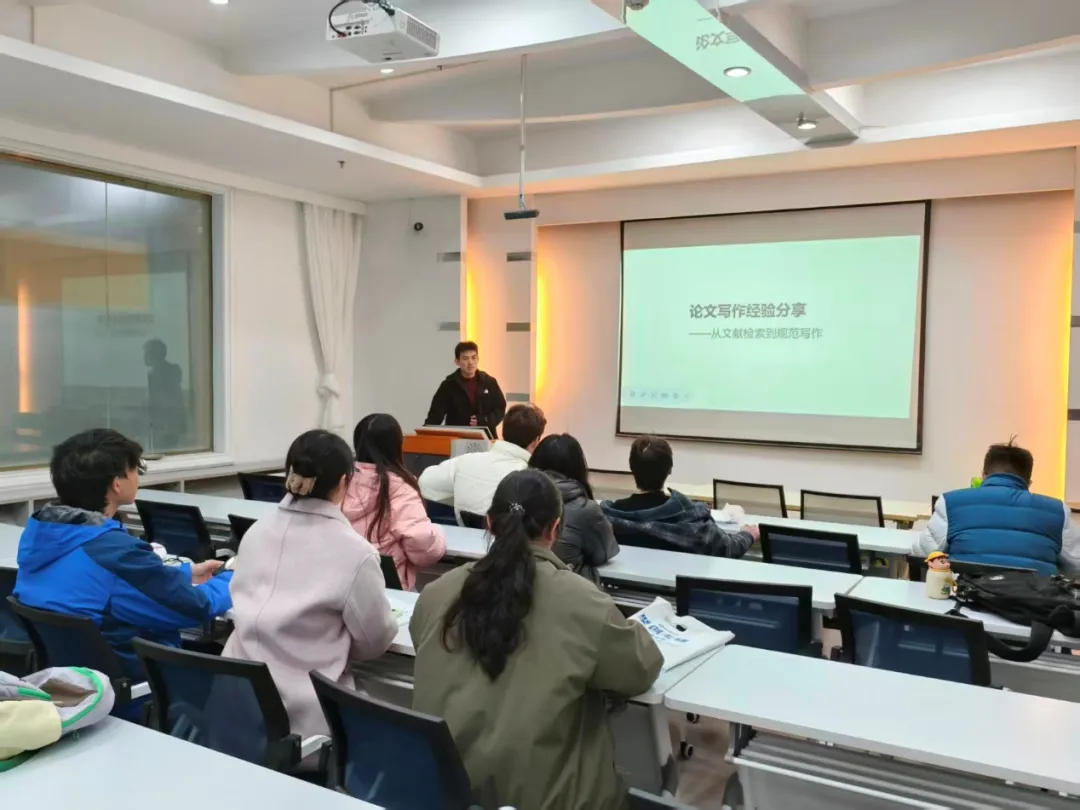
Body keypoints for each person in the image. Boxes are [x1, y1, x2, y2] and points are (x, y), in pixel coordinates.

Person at [411, 470, 662, 810]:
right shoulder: (585, 603)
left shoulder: (435, 594)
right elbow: (639, 669)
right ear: (555, 528)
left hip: (446, 796)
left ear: (489, 523)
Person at [13, 429, 232, 683]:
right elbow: (197, 607)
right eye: (134, 469)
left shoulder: (42, 538)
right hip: (139, 684)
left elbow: (104, 585)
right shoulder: (117, 554)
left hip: (66, 684)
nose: (137, 476)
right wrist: (235, 577)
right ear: (117, 484)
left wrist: (184, 573)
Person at [223, 430, 397, 740]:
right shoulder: (354, 553)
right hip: (306, 719)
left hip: (236, 704)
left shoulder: (254, 533)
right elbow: (374, 641)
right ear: (343, 482)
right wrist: (330, 642)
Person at [914, 440, 1080, 575]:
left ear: (983, 475)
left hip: (964, 600)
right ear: (1028, 482)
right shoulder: (1058, 512)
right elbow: (1076, 565)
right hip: (1034, 604)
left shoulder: (951, 502)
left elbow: (922, 553)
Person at [601, 436, 758, 556]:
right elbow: (727, 548)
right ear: (670, 469)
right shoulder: (691, 519)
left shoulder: (608, 518)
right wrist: (749, 534)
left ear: (631, 468)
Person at [343, 413, 446, 591]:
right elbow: (424, 549)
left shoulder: (339, 481)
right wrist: (439, 534)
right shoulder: (400, 488)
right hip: (384, 589)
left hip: (341, 583)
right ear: (397, 445)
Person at [419, 403, 547, 516]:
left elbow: (425, 482)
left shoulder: (465, 461)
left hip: (463, 534)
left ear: (504, 431)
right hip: (507, 536)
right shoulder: (533, 480)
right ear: (536, 441)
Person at [529, 434, 619, 585]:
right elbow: (605, 552)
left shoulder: (516, 496)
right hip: (567, 590)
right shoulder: (585, 509)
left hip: (518, 589)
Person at [425, 341, 506, 437]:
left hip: (486, 437)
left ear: (478, 359)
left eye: (473, 357)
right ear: (457, 361)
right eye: (465, 358)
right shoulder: (448, 385)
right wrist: (424, 435)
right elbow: (435, 416)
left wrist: (484, 420)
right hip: (457, 438)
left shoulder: (489, 382)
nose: (470, 362)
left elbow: (500, 408)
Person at [143, 338, 187, 449]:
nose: (145, 356)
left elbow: (171, 401)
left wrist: (167, 427)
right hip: (158, 424)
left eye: (148, 353)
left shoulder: (168, 372)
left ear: (156, 354)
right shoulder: (152, 374)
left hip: (167, 425)